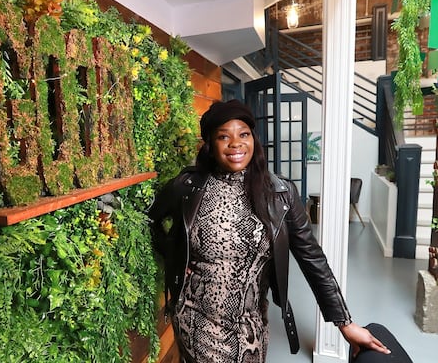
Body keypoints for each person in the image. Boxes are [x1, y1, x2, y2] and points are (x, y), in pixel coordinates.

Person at [149, 99, 391, 363]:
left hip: (252, 323)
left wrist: (344, 323)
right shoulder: (188, 187)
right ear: (210, 144)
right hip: (197, 318)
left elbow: (312, 258)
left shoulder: (280, 194)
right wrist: (174, 257)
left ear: (254, 139)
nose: (236, 144)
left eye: (243, 134)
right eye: (223, 137)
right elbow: (151, 219)